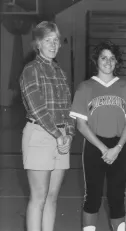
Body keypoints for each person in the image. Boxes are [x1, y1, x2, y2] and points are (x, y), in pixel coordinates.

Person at [69, 41, 126, 231]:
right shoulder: (85, 87)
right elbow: (81, 124)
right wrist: (103, 149)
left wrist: (118, 148)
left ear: (117, 62)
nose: (108, 61)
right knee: (93, 196)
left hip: (119, 146)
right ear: (96, 61)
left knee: (117, 196)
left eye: (112, 58)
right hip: (94, 146)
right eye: (103, 57)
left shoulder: (125, 87)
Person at [20, 21, 75, 231]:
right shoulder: (30, 70)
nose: (53, 44)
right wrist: (57, 134)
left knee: (52, 197)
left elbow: (68, 109)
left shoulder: (60, 73)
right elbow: (37, 108)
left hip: (61, 137)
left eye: (55, 40)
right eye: (47, 40)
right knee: (39, 197)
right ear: (38, 44)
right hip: (40, 135)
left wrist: (68, 134)